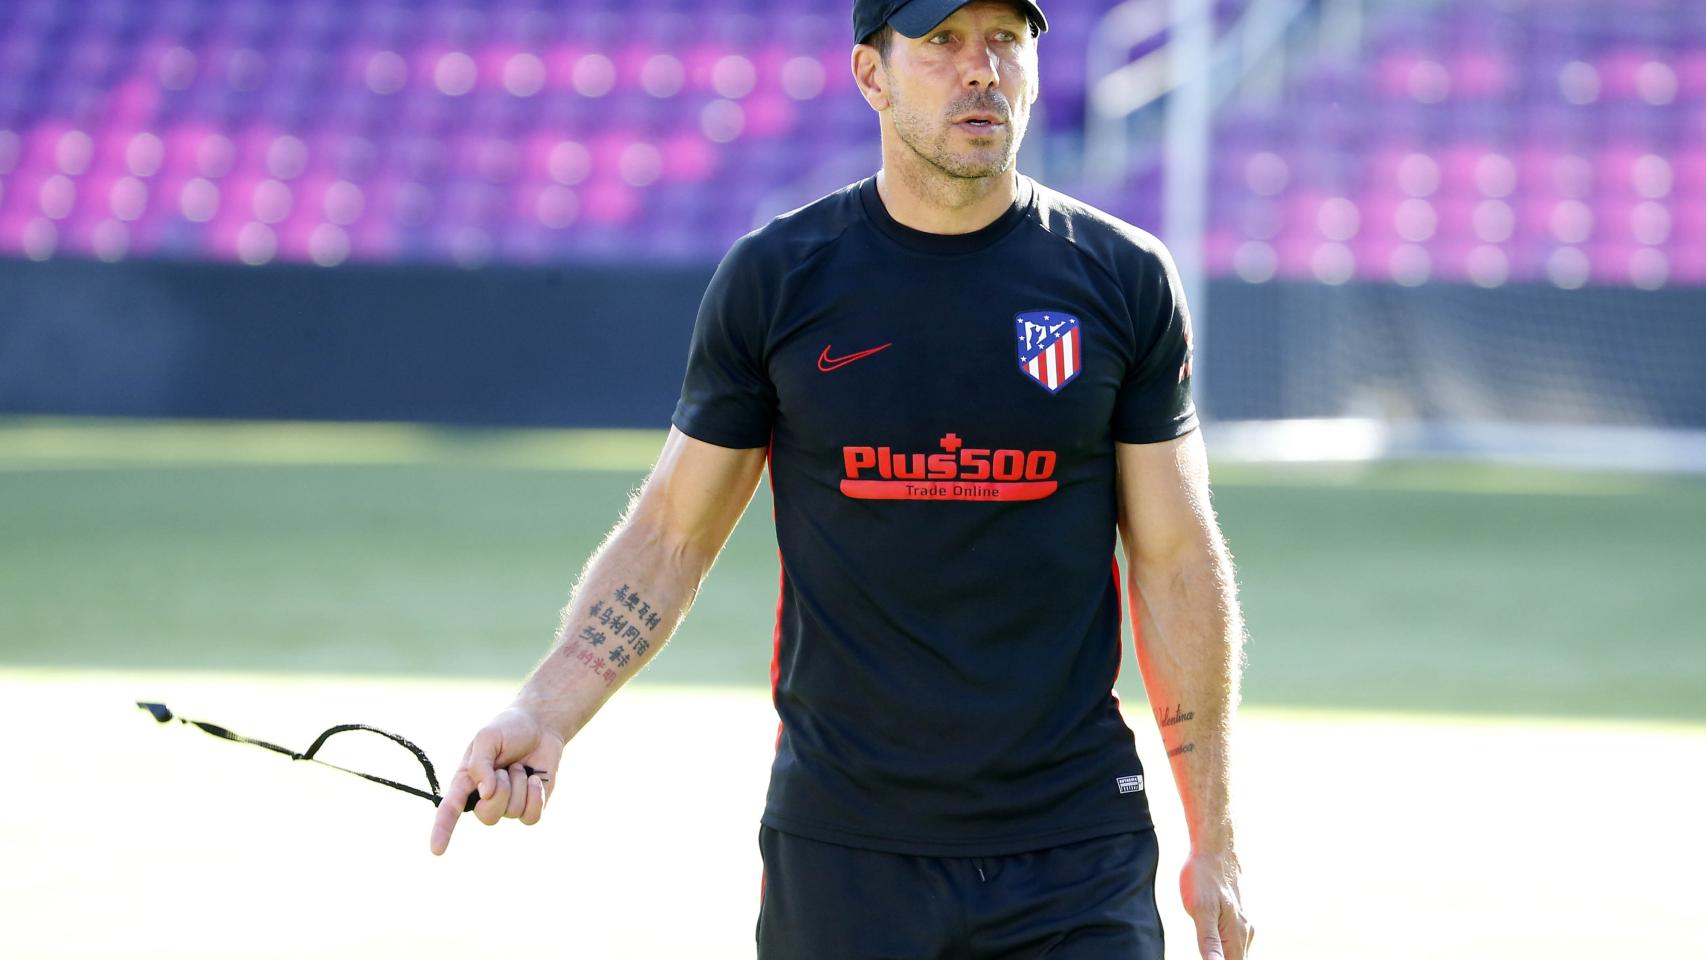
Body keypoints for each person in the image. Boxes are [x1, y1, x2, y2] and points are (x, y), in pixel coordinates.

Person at [429, 0, 1253, 956]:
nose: (981, 69)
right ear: (871, 74)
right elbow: (670, 537)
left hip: (1076, 851)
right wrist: (544, 710)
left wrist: (1216, 837)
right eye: (941, 42)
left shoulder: (1125, 279)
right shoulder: (779, 278)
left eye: (1006, 39)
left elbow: (1177, 560)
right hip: (844, 852)